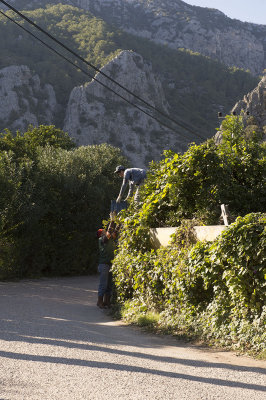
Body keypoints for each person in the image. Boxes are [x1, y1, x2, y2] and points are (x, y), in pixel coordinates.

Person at [96, 212, 119, 309]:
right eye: (103, 231)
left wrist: (119, 223)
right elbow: (110, 232)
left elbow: (115, 233)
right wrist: (112, 221)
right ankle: (100, 302)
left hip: (110, 264)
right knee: (103, 284)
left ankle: (107, 302)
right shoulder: (102, 240)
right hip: (104, 265)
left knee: (109, 284)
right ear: (101, 234)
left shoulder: (109, 239)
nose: (105, 231)